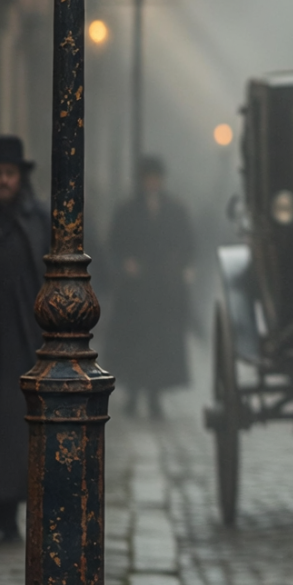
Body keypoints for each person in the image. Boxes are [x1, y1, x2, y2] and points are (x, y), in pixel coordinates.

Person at [0, 134, 49, 542]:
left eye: (9, 173)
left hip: (23, 337)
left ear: (20, 177)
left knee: (18, 429)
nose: (3, 180)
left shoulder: (38, 220)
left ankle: (11, 513)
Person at [105, 157, 196, 421]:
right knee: (133, 342)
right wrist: (125, 263)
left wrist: (179, 265)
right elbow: (114, 245)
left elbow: (188, 245)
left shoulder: (175, 210)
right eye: (148, 178)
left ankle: (155, 396)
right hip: (135, 292)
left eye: (156, 178)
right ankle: (133, 394)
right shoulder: (127, 211)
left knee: (160, 345)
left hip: (163, 290)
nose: (152, 183)